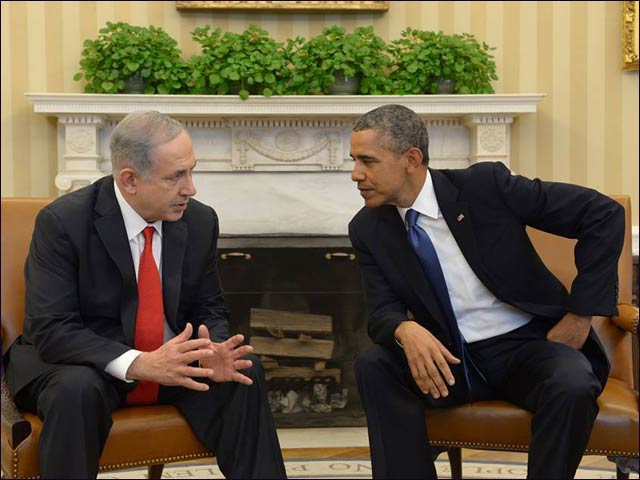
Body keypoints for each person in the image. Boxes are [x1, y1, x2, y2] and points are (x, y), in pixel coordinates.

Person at [4, 110, 286, 479]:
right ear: (130, 180)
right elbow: (51, 328)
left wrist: (214, 345)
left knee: (243, 376)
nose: (191, 188)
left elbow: (208, 305)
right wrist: (139, 363)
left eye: (191, 171)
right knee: (76, 390)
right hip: (84, 364)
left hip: (170, 364)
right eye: (176, 177)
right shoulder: (63, 222)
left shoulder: (199, 221)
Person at [348, 104, 624, 479]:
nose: (355, 174)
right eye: (354, 161)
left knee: (572, 382)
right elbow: (382, 310)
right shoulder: (368, 228)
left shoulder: (484, 187)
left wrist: (580, 314)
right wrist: (404, 328)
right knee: (374, 364)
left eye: (368, 161)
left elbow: (603, 214)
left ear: (411, 158)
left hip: (529, 346)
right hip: (451, 361)